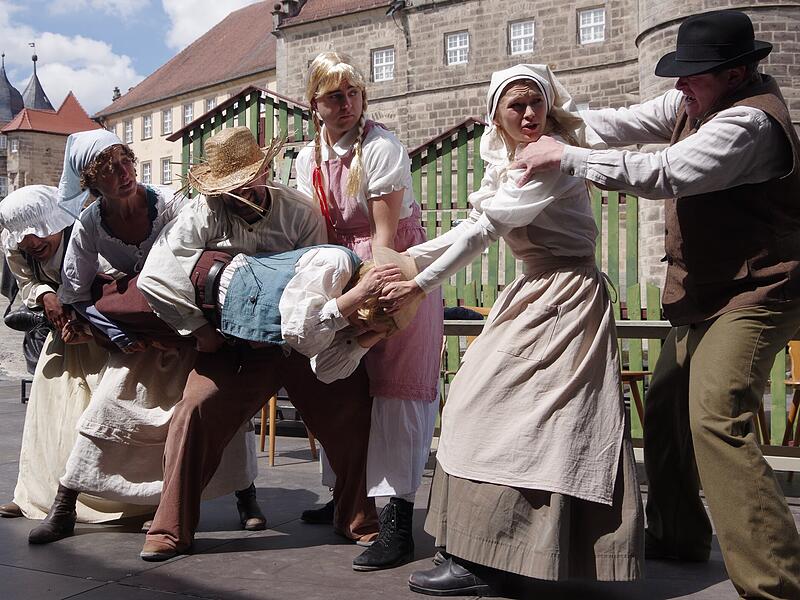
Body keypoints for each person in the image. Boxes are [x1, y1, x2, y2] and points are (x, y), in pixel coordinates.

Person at [513, 10, 800, 599]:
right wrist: (552, 121)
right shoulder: (696, 101)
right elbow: (621, 123)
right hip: (708, 294)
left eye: (694, 75)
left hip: (759, 291)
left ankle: (775, 583)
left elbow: (663, 173)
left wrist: (563, 156)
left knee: (716, 416)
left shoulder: (748, 124)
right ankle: (679, 536)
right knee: (667, 405)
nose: (679, 86)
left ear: (738, 73)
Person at [380, 64, 644, 596]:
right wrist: (409, 260)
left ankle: (497, 558)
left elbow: (484, 231)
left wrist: (418, 283)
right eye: (515, 106)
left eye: (535, 103)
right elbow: (470, 226)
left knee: (525, 419)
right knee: (484, 407)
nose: (528, 114)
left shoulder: (547, 163)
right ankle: (487, 552)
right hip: (535, 291)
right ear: (495, 115)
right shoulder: (505, 162)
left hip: (565, 295)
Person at [136, 126, 380, 561]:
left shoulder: (299, 213)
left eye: (246, 180)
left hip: (299, 343)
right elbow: (156, 277)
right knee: (194, 411)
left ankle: (356, 515)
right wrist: (198, 330)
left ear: (265, 170)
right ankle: (171, 526)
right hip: (234, 346)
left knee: (352, 401)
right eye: (229, 186)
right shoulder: (202, 214)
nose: (238, 193)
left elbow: (322, 279)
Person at [28, 130, 261, 545]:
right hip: (142, 339)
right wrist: (117, 333)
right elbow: (76, 293)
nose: (123, 173)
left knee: (219, 411)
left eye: (125, 161)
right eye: (109, 169)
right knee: (106, 411)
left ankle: (247, 500)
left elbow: (206, 256)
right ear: (91, 181)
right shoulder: (90, 224)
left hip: (192, 332)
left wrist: (196, 322)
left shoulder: (170, 204)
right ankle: (65, 506)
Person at [296, 51, 443, 572]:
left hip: (389, 273)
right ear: (314, 104)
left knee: (396, 394)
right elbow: (313, 232)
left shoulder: (381, 147)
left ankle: (396, 521)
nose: (347, 104)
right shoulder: (307, 156)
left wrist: (377, 304)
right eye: (335, 96)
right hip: (340, 272)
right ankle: (345, 497)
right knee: (343, 388)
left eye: (353, 93)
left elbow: (382, 238)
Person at [0, 185, 148, 523]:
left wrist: (84, 320)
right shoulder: (18, 251)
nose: (32, 245)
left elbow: (116, 285)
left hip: (104, 334)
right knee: (49, 415)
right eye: (25, 240)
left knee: (104, 414)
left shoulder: (86, 234)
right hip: (63, 338)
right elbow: (26, 285)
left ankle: (125, 500)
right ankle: (36, 493)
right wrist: (45, 295)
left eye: (38, 237)